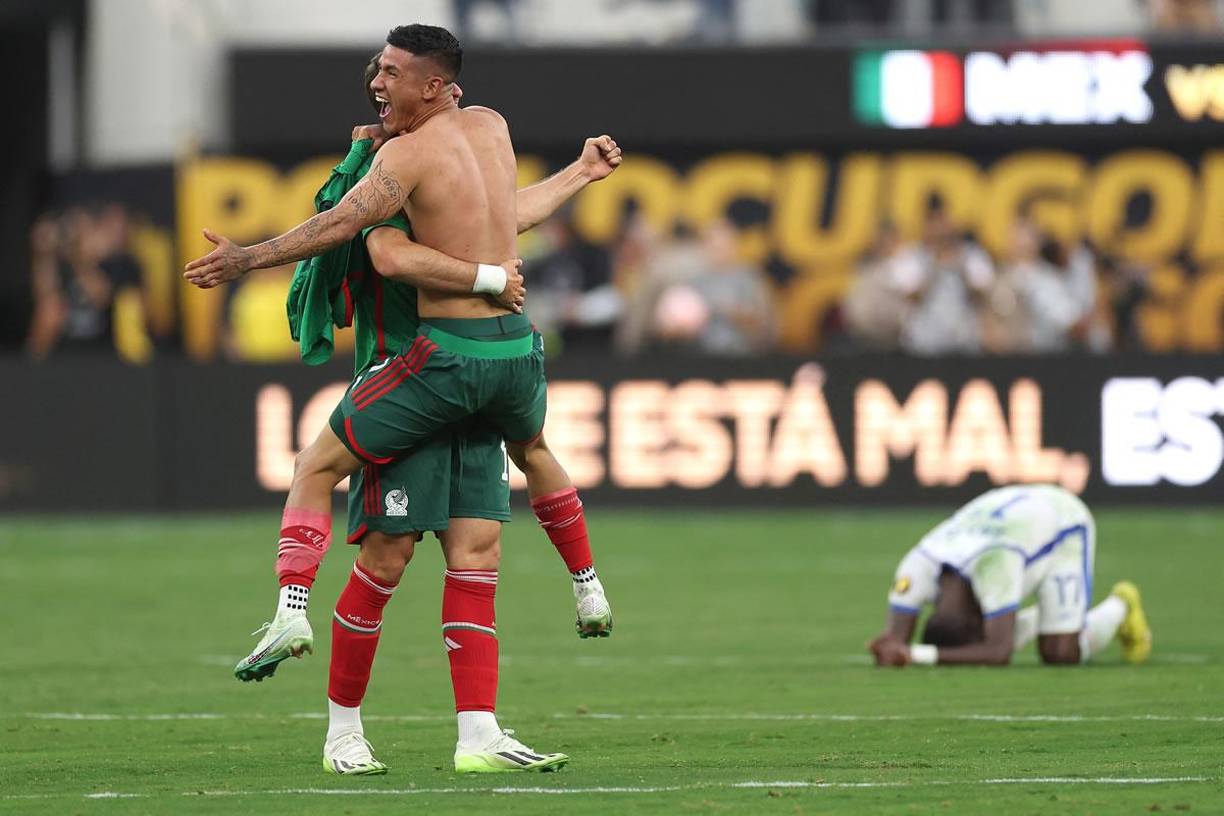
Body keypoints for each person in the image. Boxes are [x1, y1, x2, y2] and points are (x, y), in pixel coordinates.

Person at [188, 26, 620, 774]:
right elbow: (373, 239)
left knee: (475, 550)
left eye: (390, 73)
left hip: (446, 368)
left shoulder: (429, 148)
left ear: (435, 85)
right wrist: (491, 276)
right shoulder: (455, 134)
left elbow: (465, 217)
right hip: (439, 360)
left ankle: (478, 732)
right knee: (386, 559)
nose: (378, 85)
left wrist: (247, 258)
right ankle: (343, 734)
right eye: (376, 74)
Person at [868, 484, 1152, 668]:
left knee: (1060, 654)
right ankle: (1053, 615)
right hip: (1016, 513)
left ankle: (1121, 606)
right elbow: (893, 640)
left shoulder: (995, 567)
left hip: (1065, 522)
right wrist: (890, 647)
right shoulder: (916, 567)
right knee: (1047, 637)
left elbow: (998, 652)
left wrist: (916, 655)